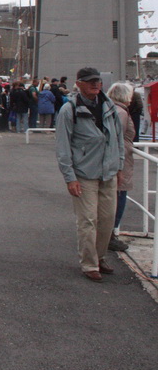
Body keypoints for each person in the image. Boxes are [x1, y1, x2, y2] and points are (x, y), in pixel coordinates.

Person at [55, 67, 124, 282]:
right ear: (79, 84)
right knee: (88, 220)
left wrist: (119, 166)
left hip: (108, 173)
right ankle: (89, 264)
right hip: (84, 174)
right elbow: (63, 147)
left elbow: (118, 139)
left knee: (106, 219)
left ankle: (100, 257)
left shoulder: (109, 106)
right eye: (90, 81)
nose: (95, 84)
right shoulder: (69, 110)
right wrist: (70, 177)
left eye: (97, 81)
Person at [107, 82, 136, 253]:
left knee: (114, 196)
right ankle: (110, 234)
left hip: (118, 159)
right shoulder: (121, 113)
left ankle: (109, 233)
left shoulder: (111, 110)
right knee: (118, 196)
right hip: (121, 161)